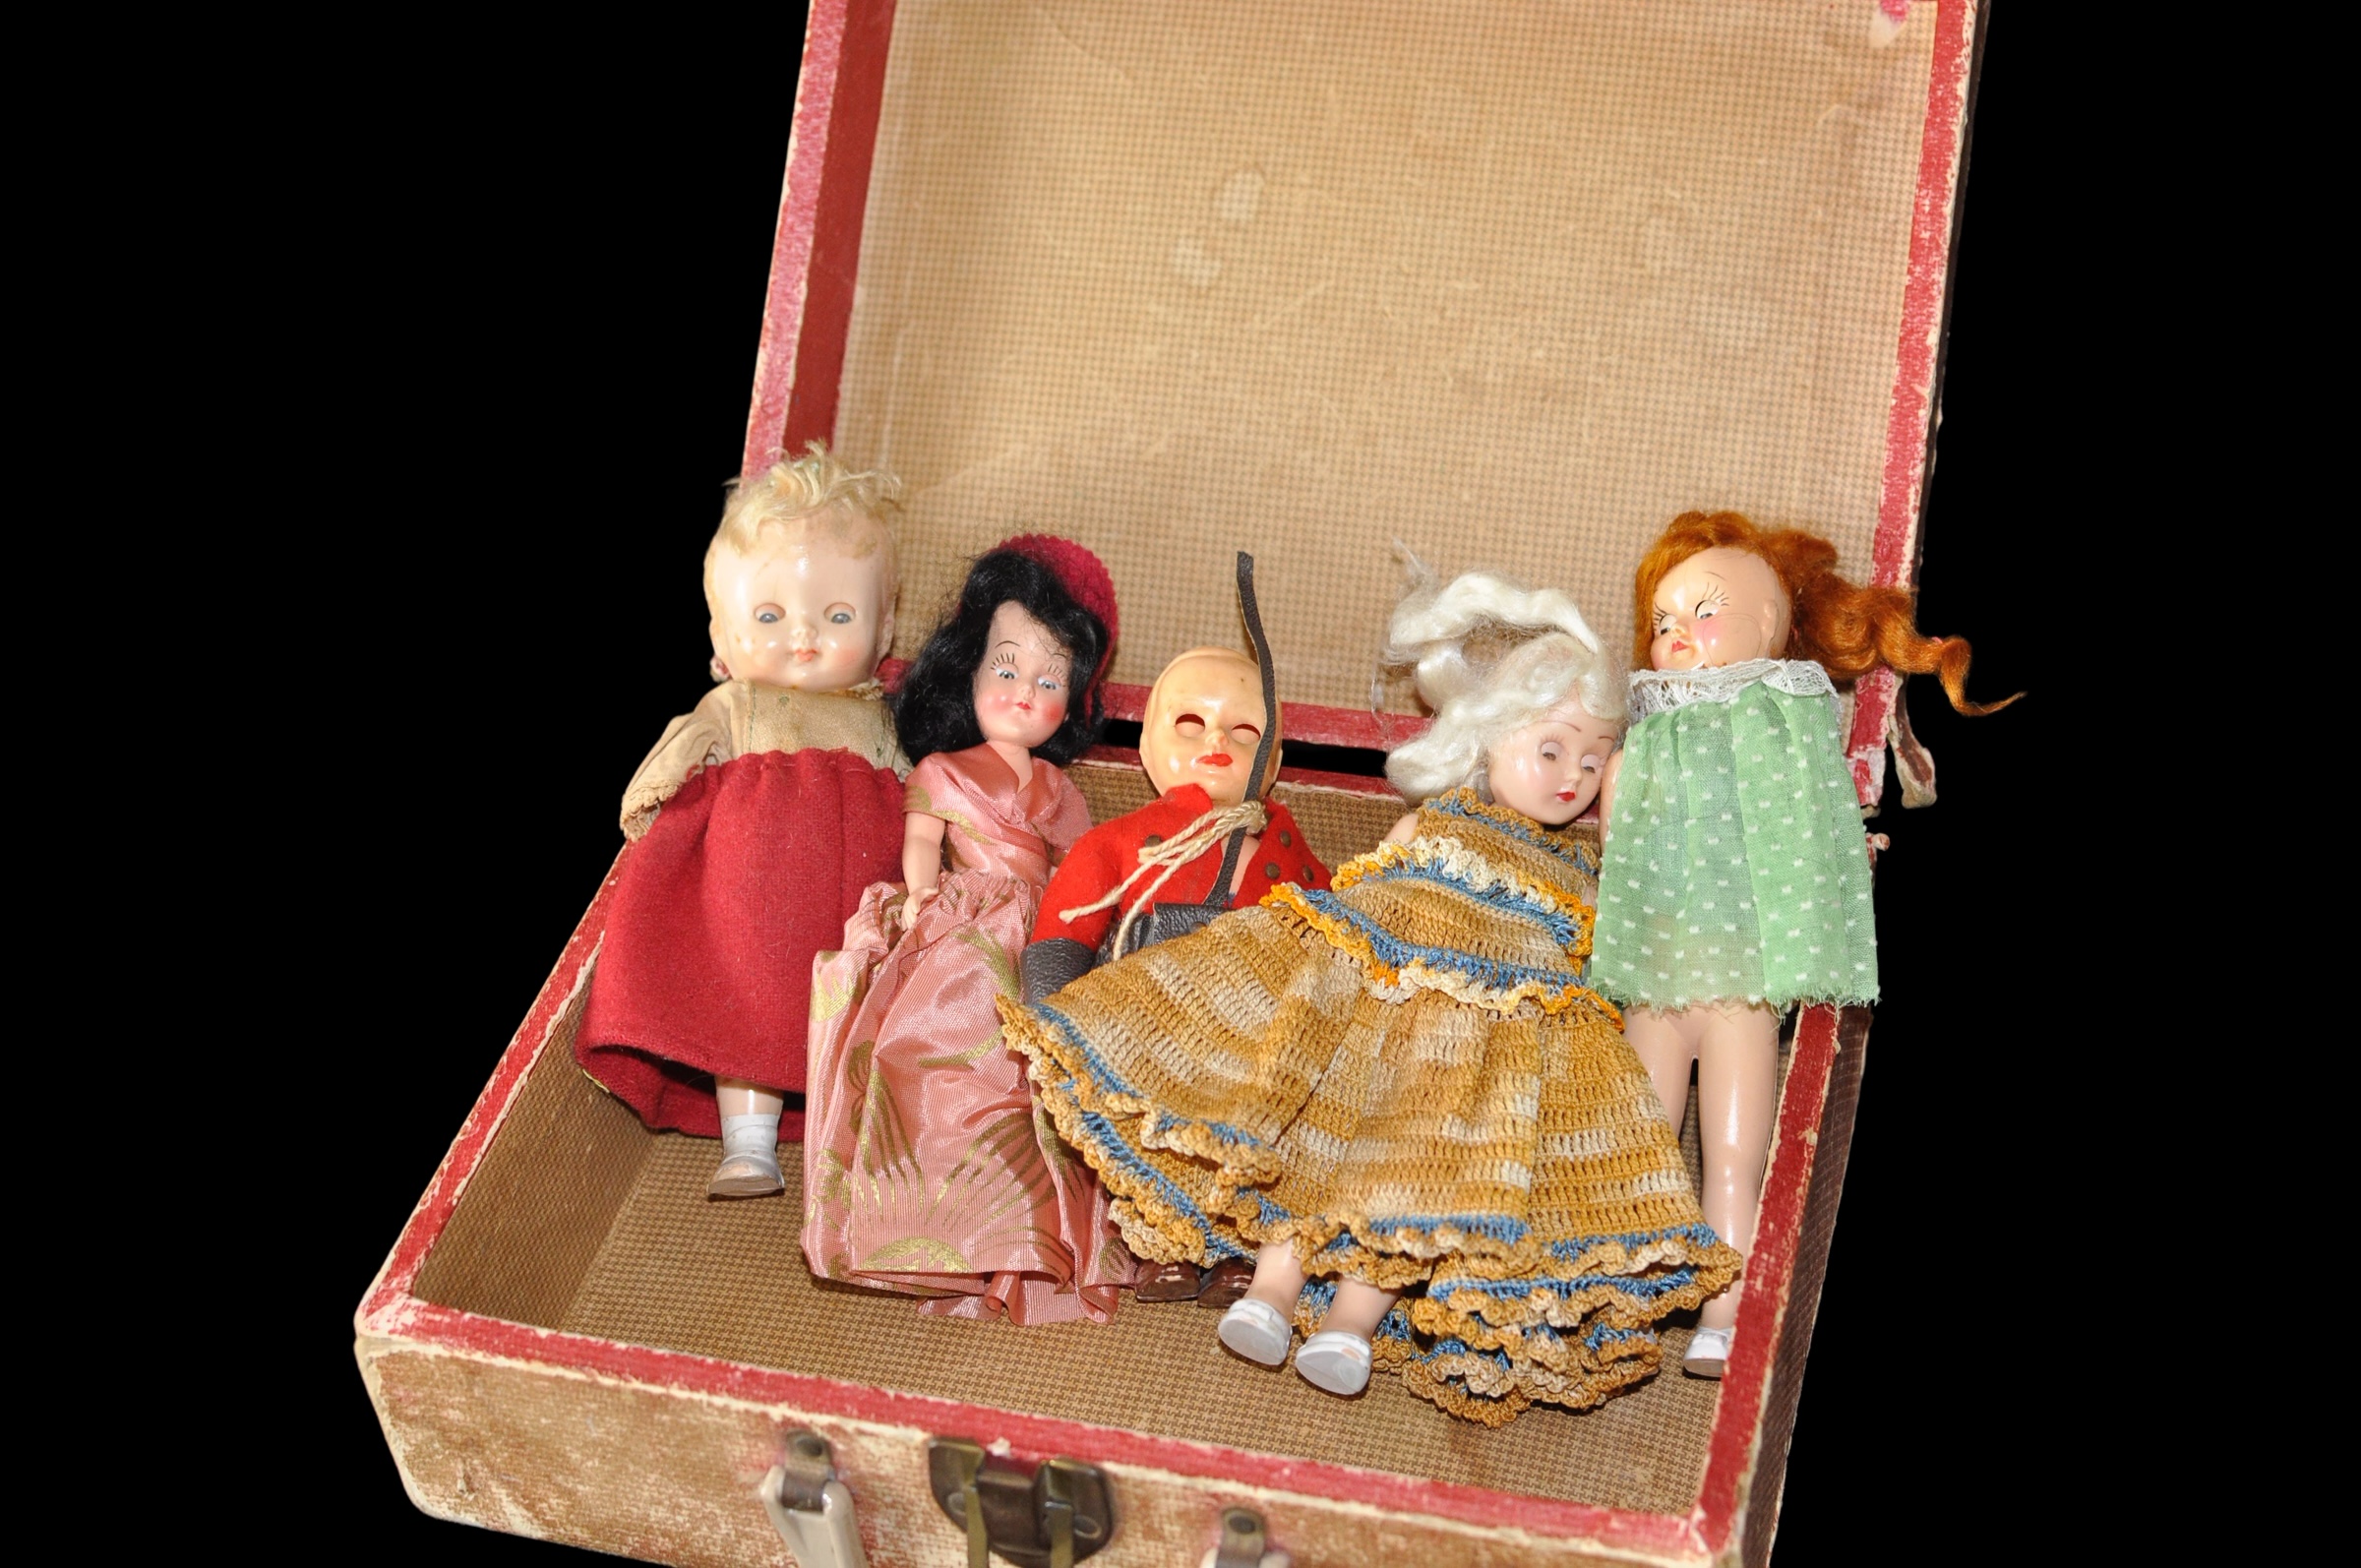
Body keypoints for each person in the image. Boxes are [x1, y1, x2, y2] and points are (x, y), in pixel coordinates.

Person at [1000, 565, 1739, 1421]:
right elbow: (1348, 909)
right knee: (1311, 1152)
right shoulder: (1436, 820)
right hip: (1371, 1033)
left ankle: (1350, 1326)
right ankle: (1269, 1294)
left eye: (1593, 759)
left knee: (1416, 1197)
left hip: (1472, 1083)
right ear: (1488, 737)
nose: (1573, 776)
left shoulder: (1583, 872)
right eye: (1551, 749)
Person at [1595, 510, 2016, 1375]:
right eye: (1663, 622)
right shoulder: (1647, 742)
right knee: (1635, 1153)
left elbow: (1806, 837)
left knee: (1733, 1159)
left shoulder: (1782, 725)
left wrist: (1831, 877)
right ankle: (1619, 1309)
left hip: (1743, 986)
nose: (1677, 635)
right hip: (1653, 976)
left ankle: (1723, 1314)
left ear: (1768, 623)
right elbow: (1616, 857)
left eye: (1703, 612)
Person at [801, 538, 1136, 1323]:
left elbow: (1078, 867)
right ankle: (946, 1233)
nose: (1024, 693)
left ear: (1070, 703)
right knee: (950, 1069)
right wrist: (922, 898)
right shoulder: (943, 771)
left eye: (1049, 681)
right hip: (967, 923)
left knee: (1038, 1089)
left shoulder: (1059, 788)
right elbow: (922, 842)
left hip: (1043, 933)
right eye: (1007, 669)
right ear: (970, 672)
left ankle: (1026, 1244)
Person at [576, 444, 908, 1198]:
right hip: (750, 904)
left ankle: (848, 1155)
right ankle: (749, 1145)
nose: (804, 635)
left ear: (885, 628)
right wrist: (650, 803)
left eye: (839, 615)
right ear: (722, 641)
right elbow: (680, 752)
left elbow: (925, 791)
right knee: (745, 1012)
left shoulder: (883, 720)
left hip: (859, 906)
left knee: (858, 1021)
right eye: (768, 615)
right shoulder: (737, 705)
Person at [1024, 641, 1331, 1304]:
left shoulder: (1294, 857)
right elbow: (1066, 927)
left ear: (1275, 760)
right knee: (1154, 1141)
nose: (1216, 741)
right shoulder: (1116, 843)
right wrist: (1054, 1021)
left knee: (1246, 1143)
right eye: (1191, 723)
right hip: (1147, 1025)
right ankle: (1162, 1246)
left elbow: (1332, 942)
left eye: (1244, 731)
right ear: (1147, 748)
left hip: (1255, 1035)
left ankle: (1235, 1251)